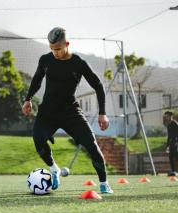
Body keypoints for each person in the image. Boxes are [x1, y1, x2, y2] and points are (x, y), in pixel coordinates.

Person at [22, 27, 113, 193]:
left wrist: (102, 113)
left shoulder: (79, 63)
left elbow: (98, 86)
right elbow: (36, 80)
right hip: (48, 112)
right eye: (52, 49)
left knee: (91, 144)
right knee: (38, 138)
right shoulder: (45, 60)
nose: (55, 52)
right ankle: (54, 169)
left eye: (58, 49)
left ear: (67, 44)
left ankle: (104, 184)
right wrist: (27, 99)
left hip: (70, 112)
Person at [163, 111, 178, 176]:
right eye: (166, 116)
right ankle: (173, 171)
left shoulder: (175, 123)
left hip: (176, 142)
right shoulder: (168, 125)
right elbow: (169, 136)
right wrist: (167, 146)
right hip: (172, 143)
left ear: (171, 116)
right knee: (170, 156)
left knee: (176, 155)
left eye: (167, 116)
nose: (166, 117)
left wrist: (176, 140)